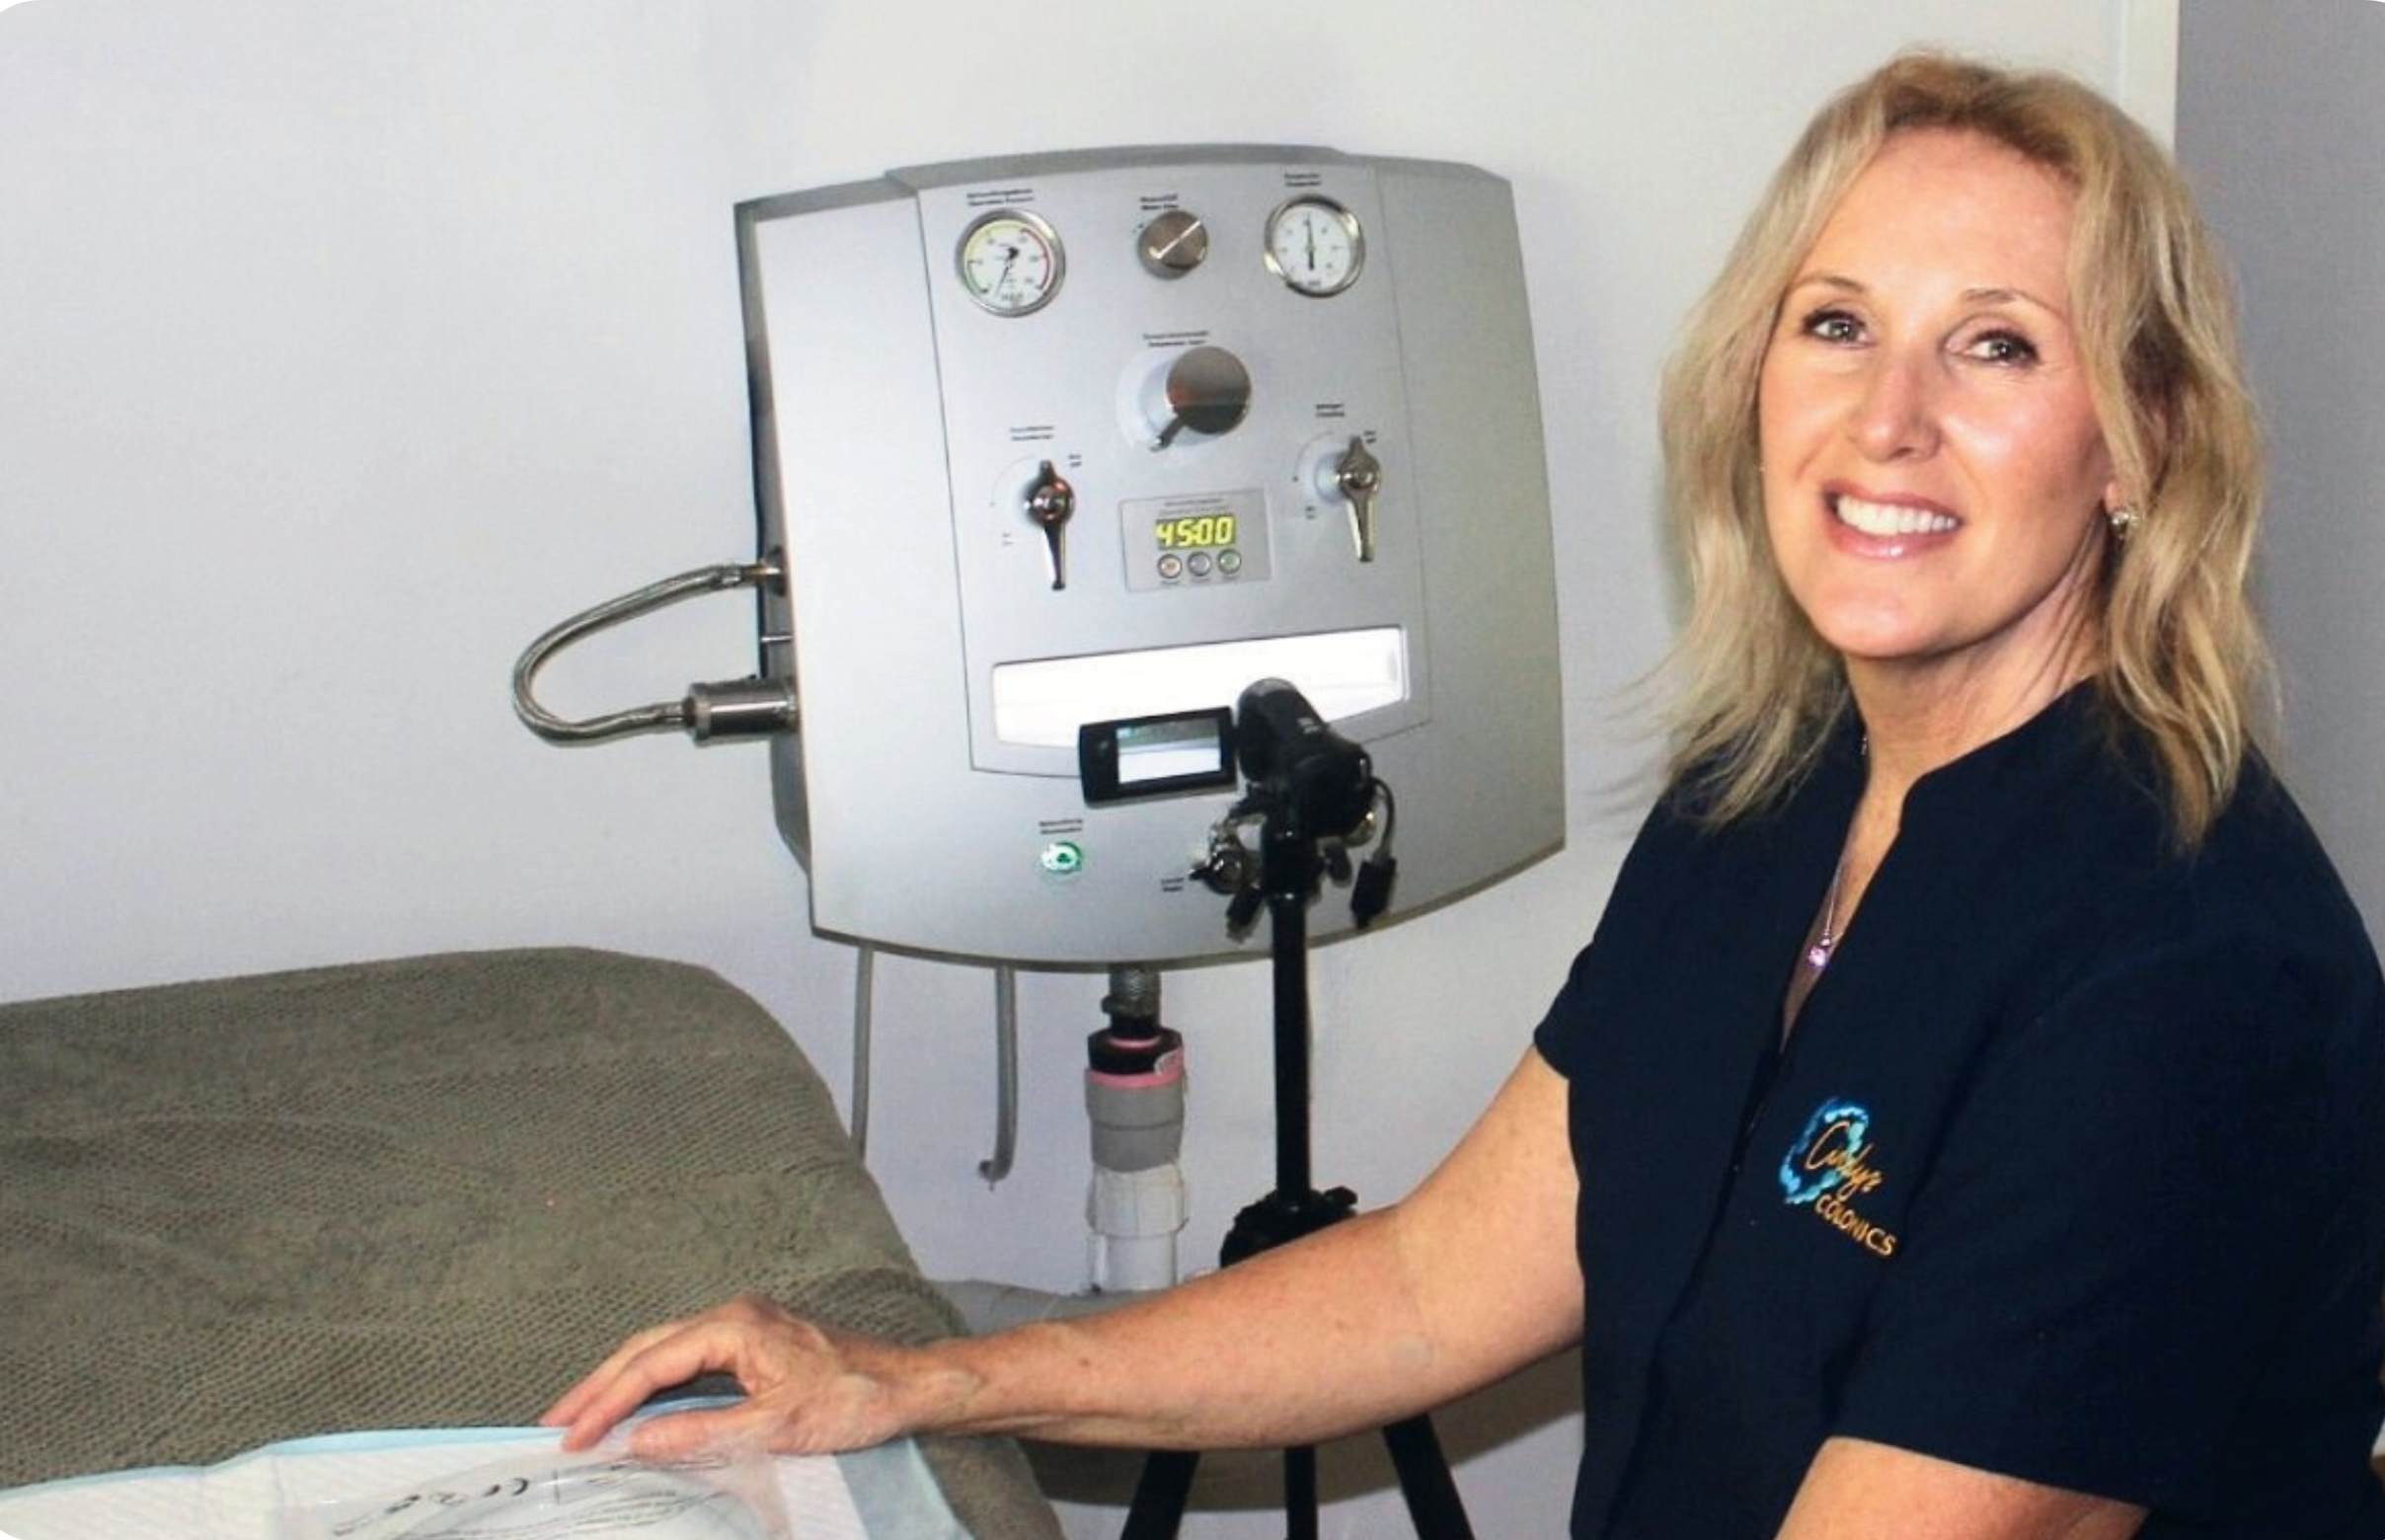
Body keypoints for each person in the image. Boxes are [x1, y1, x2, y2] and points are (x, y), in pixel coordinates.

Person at [544, 51, 2385, 1540]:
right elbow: (1438, 1280)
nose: (1884, 418)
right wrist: (911, 1379)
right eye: (1835, 324)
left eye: (1996, 345)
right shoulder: (1780, 783)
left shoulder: (2188, 983)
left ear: (2141, 437)